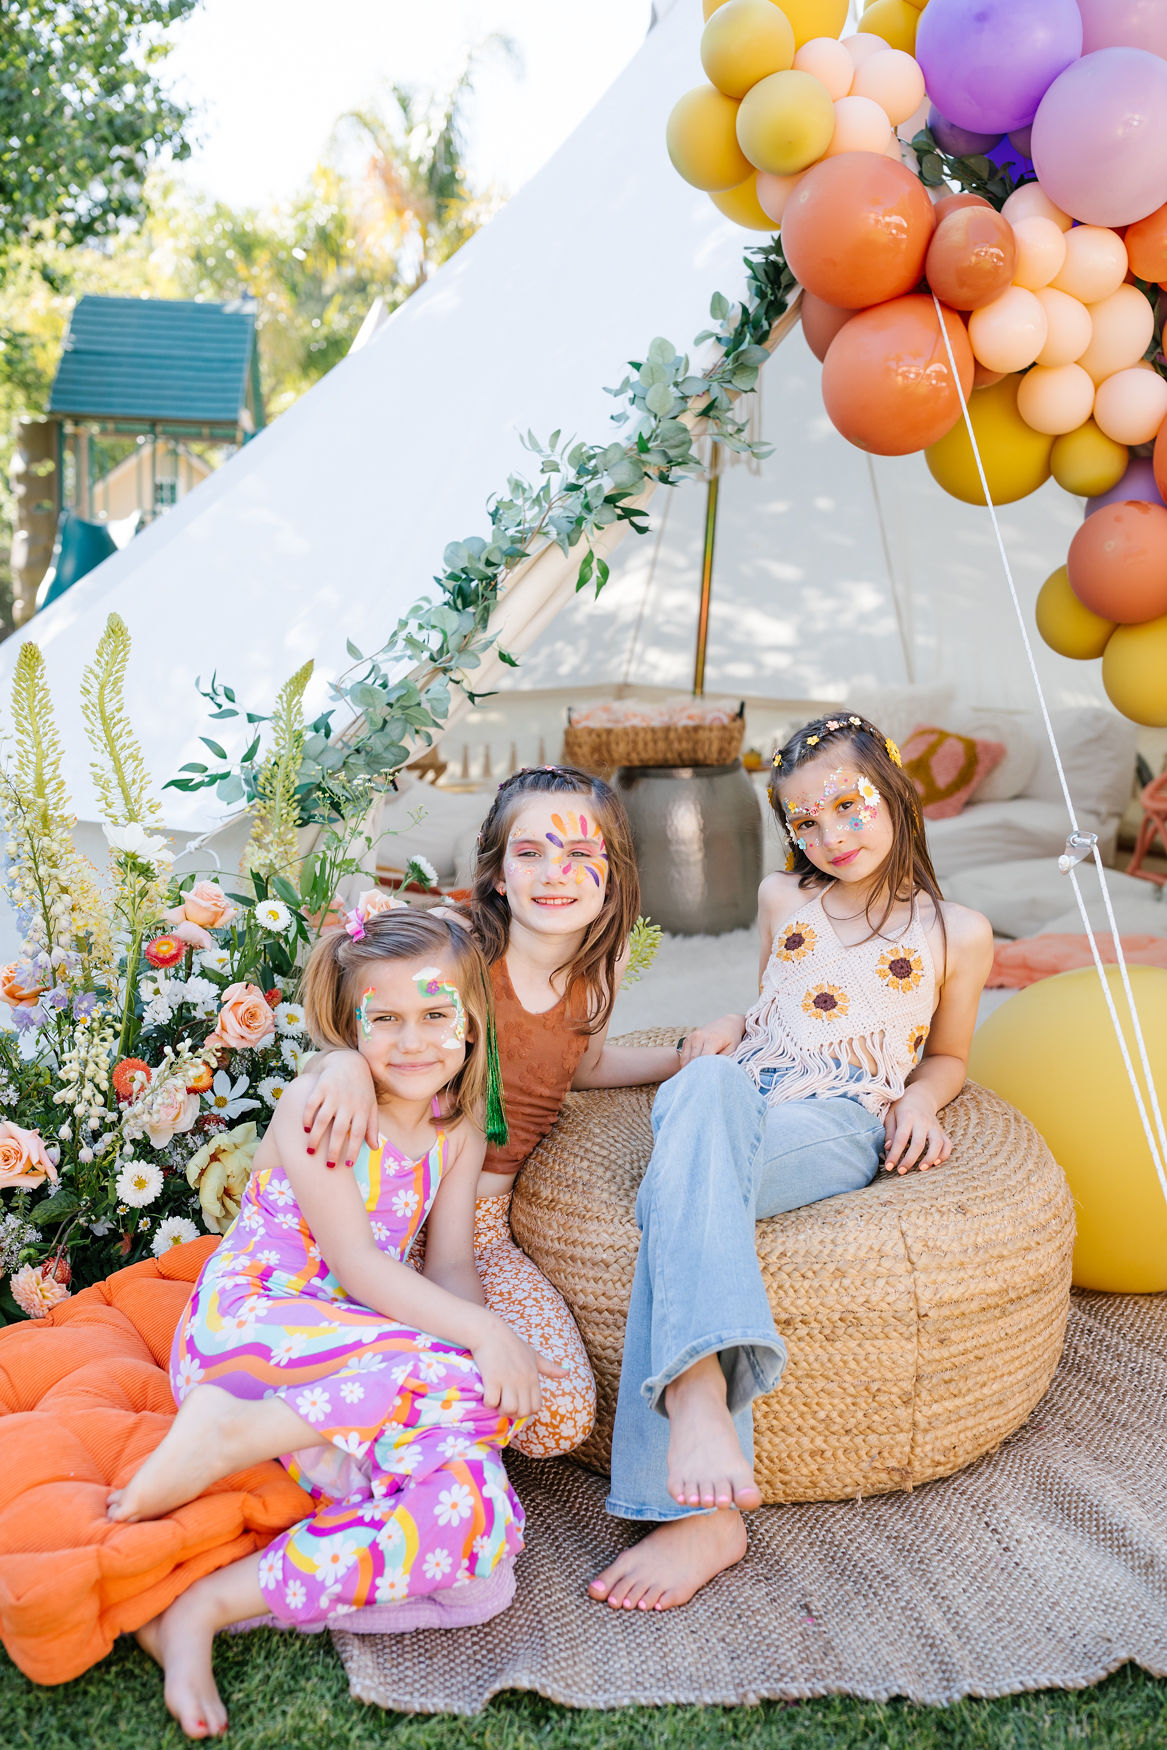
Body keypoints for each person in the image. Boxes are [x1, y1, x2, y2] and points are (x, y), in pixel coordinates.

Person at [108, 909, 559, 1740]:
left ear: (471, 1020)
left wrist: (479, 1358)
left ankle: (206, 1605)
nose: (413, 1040)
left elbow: (449, 1268)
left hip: (357, 1365)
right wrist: (484, 1346)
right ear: (348, 1026)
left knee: (480, 1557)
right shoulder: (328, 1101)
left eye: (435, 1015)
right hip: (259, 1332)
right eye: (382, 1020)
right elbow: (357, 1266)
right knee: (469, 1370)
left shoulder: (453, 1131)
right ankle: (224, 1433)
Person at [588, 714, 994, 1615]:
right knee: (703, 1087)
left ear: (892, 790)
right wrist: (730, 1028)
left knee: (680, 1182)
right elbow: (764, 1001)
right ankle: (701, 1422)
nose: (830, 837)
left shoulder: (956, 930)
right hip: (742, 1086)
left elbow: (950, 1054)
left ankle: (693, 1413)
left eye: (848, 808)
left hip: (836, 1115)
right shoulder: (782, 898)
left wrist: (921, 1100)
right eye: (804, 823)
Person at [300, 766, 687, 1460]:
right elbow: (364, 1010)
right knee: (344, 1371)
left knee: (557, 1409)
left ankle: (428, 1425)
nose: (553, 873)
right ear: (500, 873)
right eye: (530, 852)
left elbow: (585, 1066)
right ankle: (400, 1447)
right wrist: (343, 1065)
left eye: (579, 852)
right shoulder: (459, 942)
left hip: (474, 1229)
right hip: (372, 1207)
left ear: (614, 873)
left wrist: (684, 1057)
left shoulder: (601, 962)